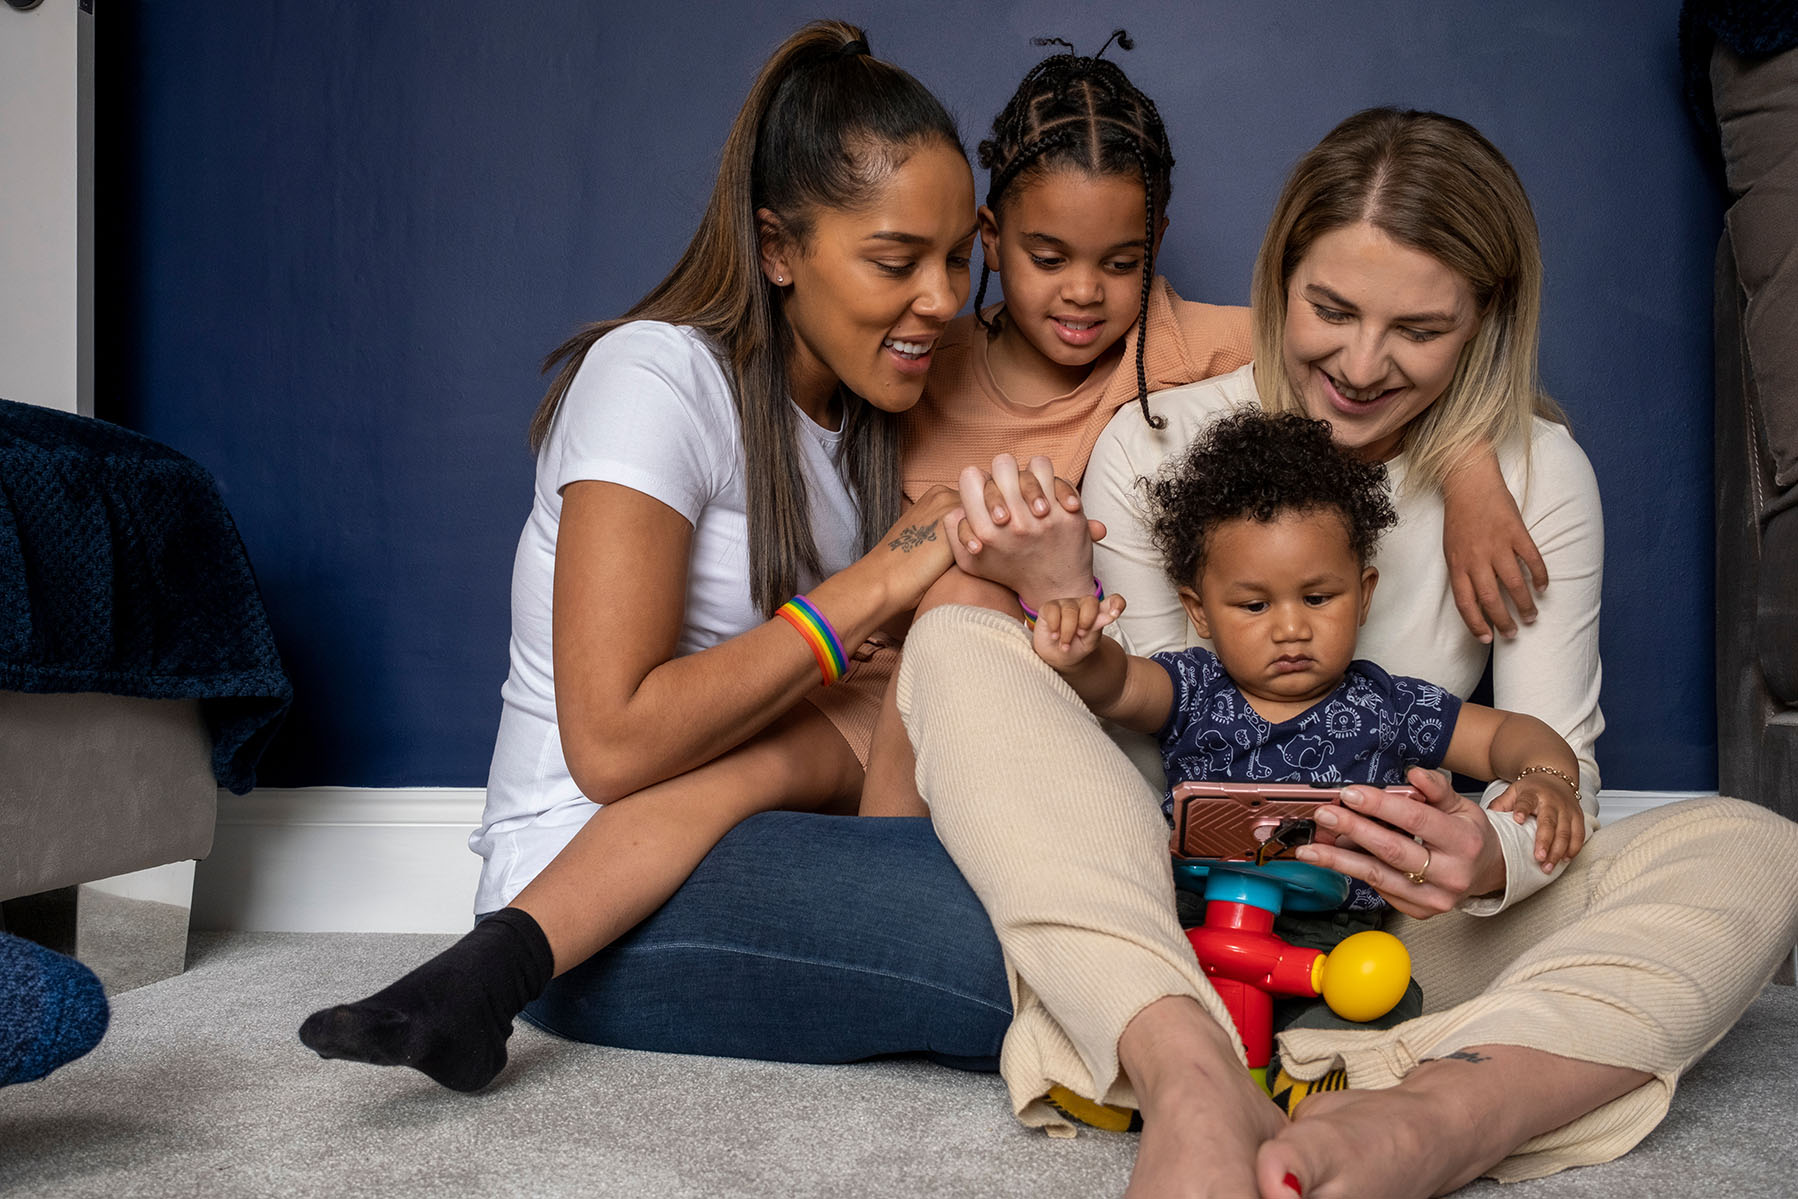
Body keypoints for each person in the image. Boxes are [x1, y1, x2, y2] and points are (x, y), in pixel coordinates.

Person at [895, 107, 1798, 1197]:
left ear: (1485, 320)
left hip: (1391, 925)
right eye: (1329, 309)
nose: (1361, 366)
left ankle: (1434, 1109)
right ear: (1279, 281)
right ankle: (1189, 1074)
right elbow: (1128, 748)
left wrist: (1494, 847)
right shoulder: (1160, 442)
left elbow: (1559, 766)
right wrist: (1068, 633)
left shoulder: (1535, 474)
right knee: (957, 638)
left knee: (1756, 848)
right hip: (1169, 915)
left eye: (1419, 329)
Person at [298, 19, 978, 1091]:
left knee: (1040, 878)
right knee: (1034, 953)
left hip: (752, 833)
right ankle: (488, 974)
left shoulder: (854, 439)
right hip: (591, 898)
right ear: (779, 247)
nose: (941, 298)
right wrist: (871, 587)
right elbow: (611, 743)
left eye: (957, 257)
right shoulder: (653, 377)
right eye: (898, 259)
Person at [1032, 408, 1587, 872]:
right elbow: (1120, 684)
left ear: (1363, 594)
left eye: (1318, 599)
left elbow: (1504, 736)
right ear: (1199, 611)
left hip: (1346, 929)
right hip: (1195, 917)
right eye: (1254, 606)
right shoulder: (1195, 690)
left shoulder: (1387, 706)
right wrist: (1083, 653)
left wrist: (1547, 775)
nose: (1292, 629)